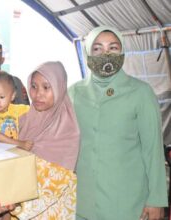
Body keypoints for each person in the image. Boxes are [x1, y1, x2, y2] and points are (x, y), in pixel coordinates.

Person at [68, 26, 168, 220]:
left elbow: (153, 149)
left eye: (113, 48)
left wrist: (156, 199)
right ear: (87, 52)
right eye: (97, 48)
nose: (105, 54)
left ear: (122, 51)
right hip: (83, 202)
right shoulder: (74, 93)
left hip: (127, 202)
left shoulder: (141, 93)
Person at [11, 61, 80, 219]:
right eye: (34, 86)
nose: (38, 94)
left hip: (49, 212)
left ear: (59, 88)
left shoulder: (68, 132)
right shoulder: (23, 121)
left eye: (46, 87)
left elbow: (54, 186)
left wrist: (11, 205)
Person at [0, 70, 32, 150]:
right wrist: (20, 143)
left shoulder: (18, 109)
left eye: (1, 97)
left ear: (12, 96)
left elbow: (36, 110)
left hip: (11, 152)